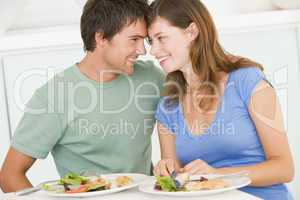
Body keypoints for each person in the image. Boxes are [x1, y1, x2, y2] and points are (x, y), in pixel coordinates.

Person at [0, 0, 165, 192]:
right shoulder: (54, 97)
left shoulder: (152, 78)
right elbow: (9, 175)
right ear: (101, 37)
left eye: (143, 40)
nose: (142, 50)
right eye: (134, 39)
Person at [147, 0, 294, 199]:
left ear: (192, 32)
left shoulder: (247, 81)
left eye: (161, 38)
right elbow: (178, 181)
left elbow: (284, 168)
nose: (153, 51)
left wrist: (217, 175)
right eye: (150, 41)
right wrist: (169, 172)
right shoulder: (168, 107)